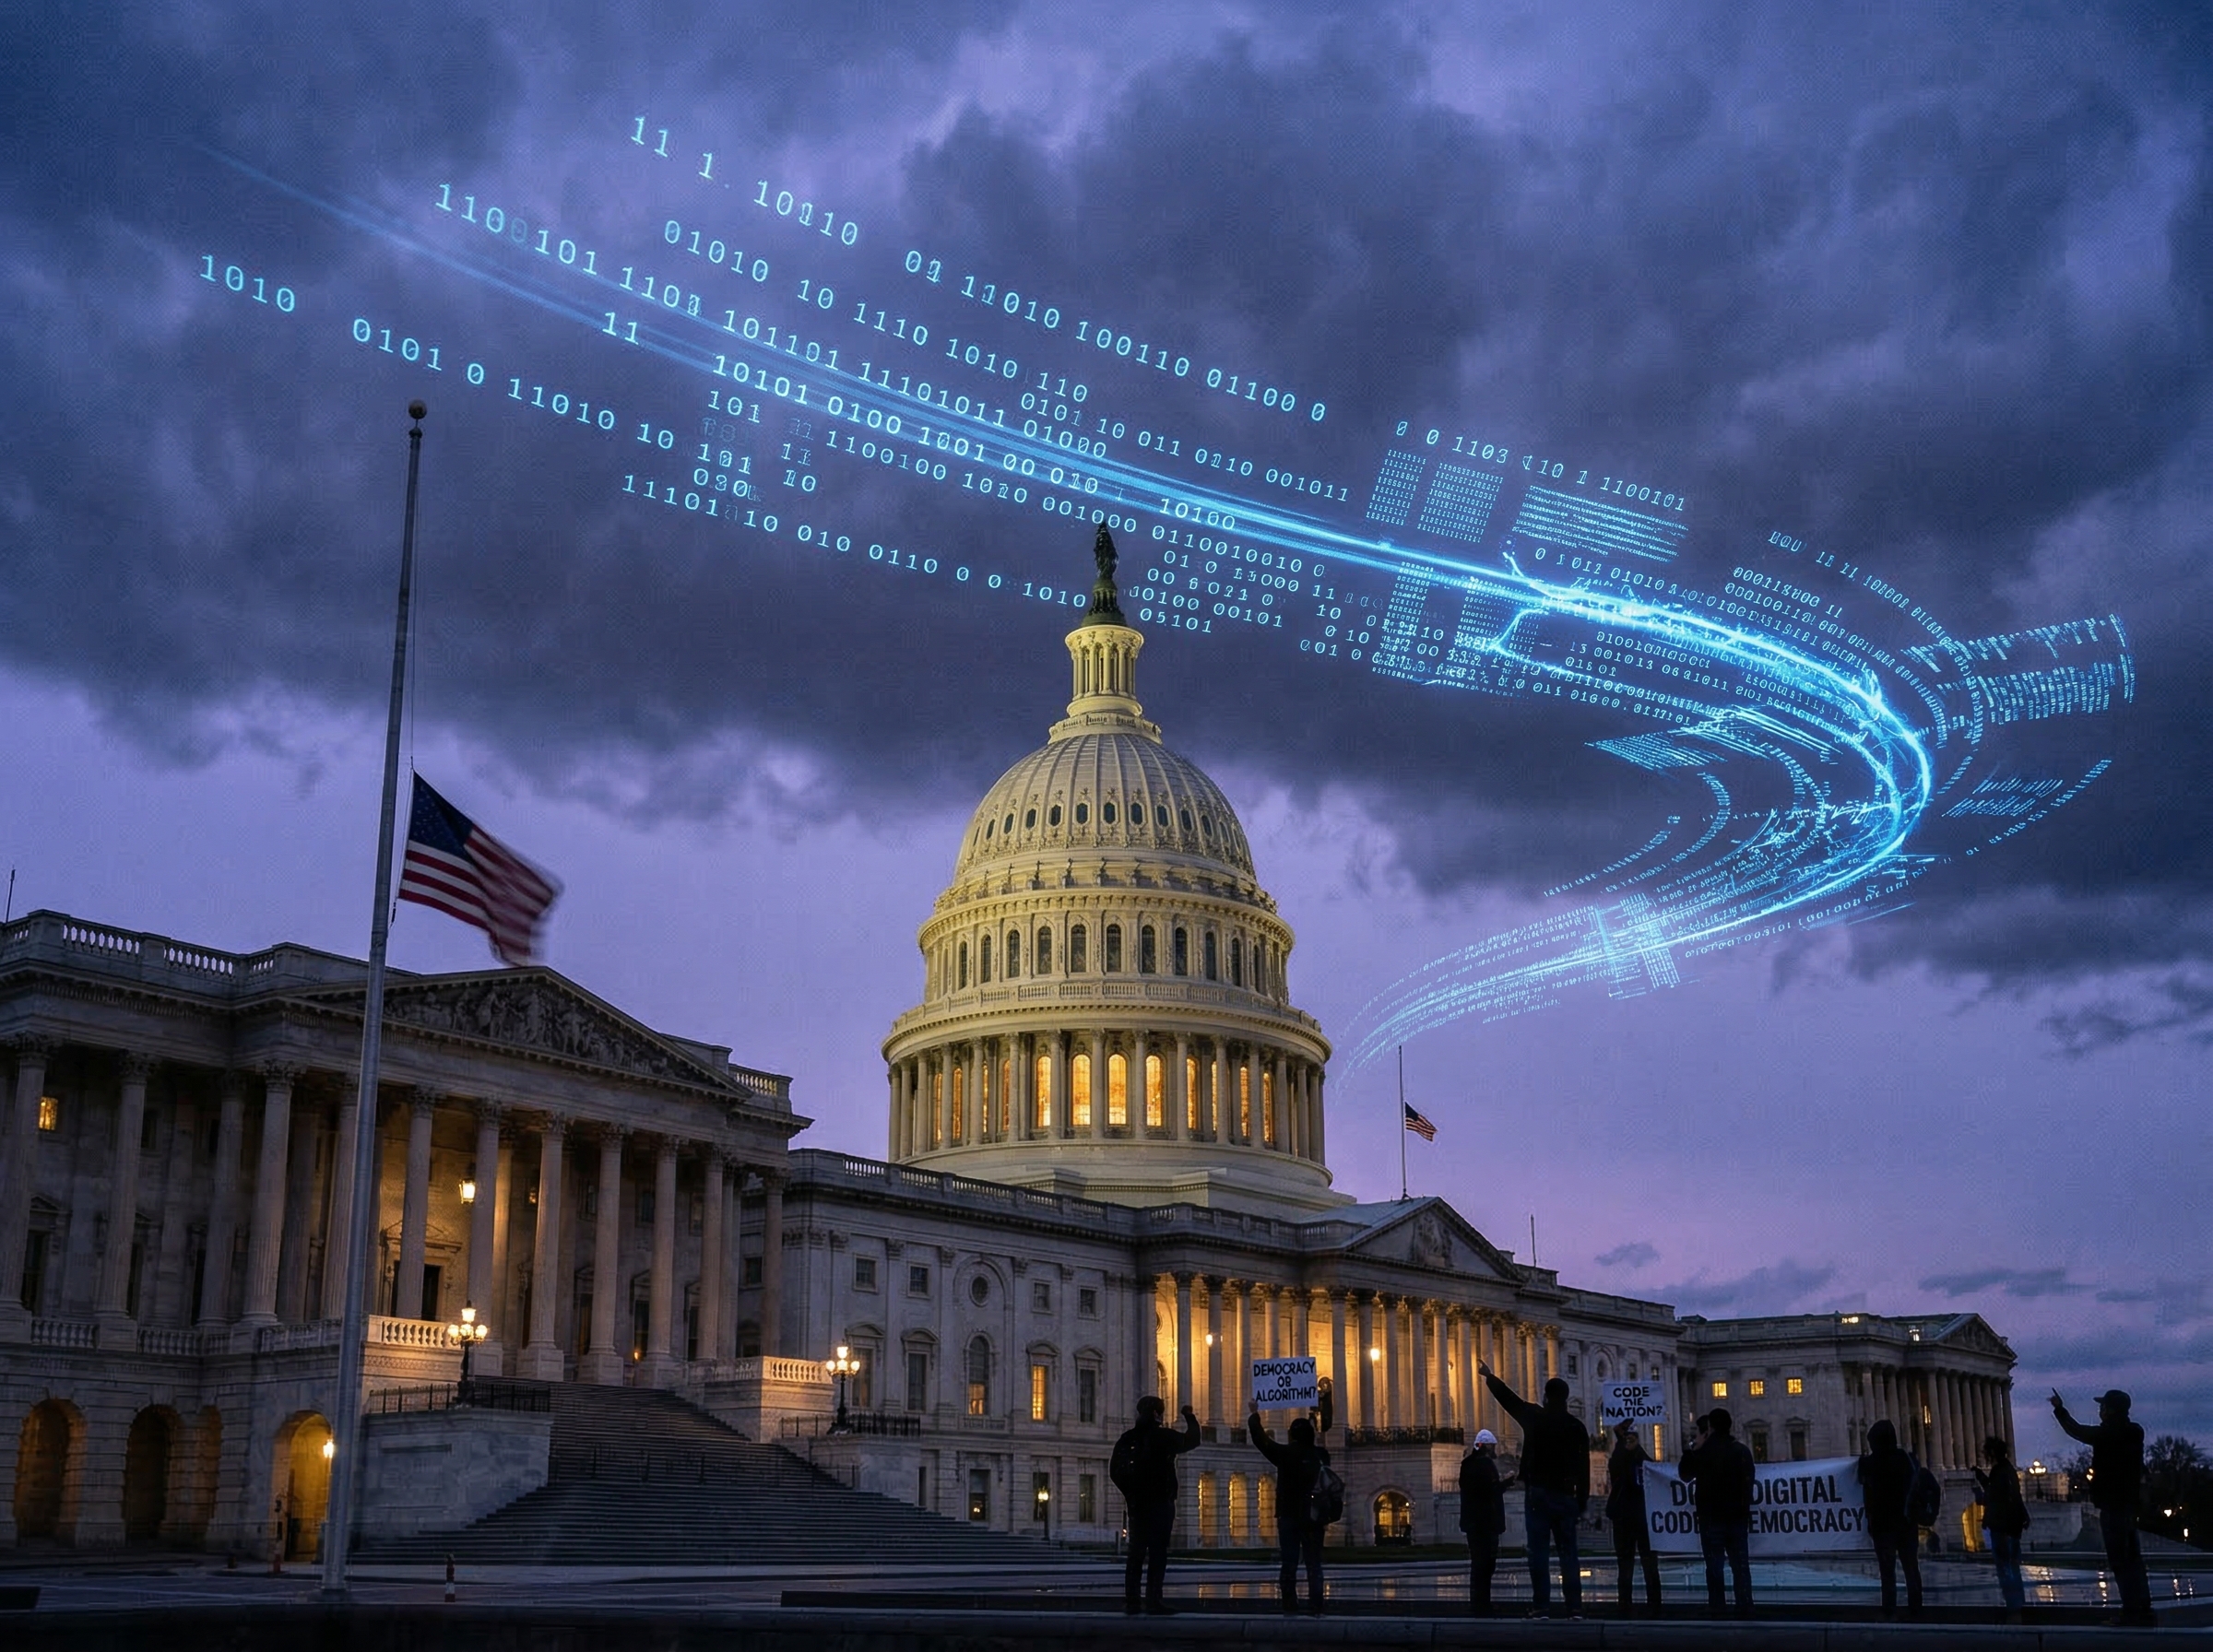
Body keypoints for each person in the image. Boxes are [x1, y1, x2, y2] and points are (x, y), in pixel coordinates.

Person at [1479, 1358, 1590, 1618]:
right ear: (1566, 1398)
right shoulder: (1577, 1427)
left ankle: (1541, 1605)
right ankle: (1574, 1606)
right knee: (1568, 1554)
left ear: (1546, 1396)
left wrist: (1490, 1376)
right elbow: (1583, 1468)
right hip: (1565, 1494)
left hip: (1538, 1493)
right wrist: (1582, 1502)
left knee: (1538, 1552)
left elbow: (1510, 1400)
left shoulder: (1535, 1418)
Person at [2052, 1386, 2152, 1626]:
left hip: (2113, 1504)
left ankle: (2131, 1612)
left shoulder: (2110, 1434)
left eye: (2102, 1407)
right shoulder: (2135, 1432)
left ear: (2110, 1410)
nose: (2099, 1411)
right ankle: (2143, 1607)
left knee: (2120, 1560)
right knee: (2133, 1559)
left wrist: (2059, 1410)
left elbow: (2077, 1431)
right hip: (2128, 1504)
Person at [1249, 1380, 1334, 1613]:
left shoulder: (1286, 1454)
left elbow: (1262, 1441)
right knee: (1314, 1563)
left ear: (1292, 1435)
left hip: (1289, 1514)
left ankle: (1289, 1604)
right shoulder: (1321, 1456)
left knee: (1289, 1562)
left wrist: (1254, 1415)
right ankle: (1317, 1604)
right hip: (1314, 1515)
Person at [1111, 1396, 1200, 1613]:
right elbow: (1193, 1440)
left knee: (1136, 1553)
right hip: (1160, 1502)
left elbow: (1115, 1471)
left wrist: (1130, 1493)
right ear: (1156, 1414)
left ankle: (1132, 1601)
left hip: (1138, 1505)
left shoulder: (1127, 1438)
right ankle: (1153, 1600)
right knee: (1158, 1553)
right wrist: (1189, 1416)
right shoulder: (1163, 1436)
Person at [1678, 1409, 1756, 1615]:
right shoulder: (1742, 1451)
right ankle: (1745, 1607)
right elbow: (1749, 1486)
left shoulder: (1703, 1453)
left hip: (1711, 1520)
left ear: (1709, 1429)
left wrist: (1692, 1447)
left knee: (1714, 1567)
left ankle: (1717, 1608)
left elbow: (1684, 1474)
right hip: (1737, 1519)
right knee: (1740, 1567)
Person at [1855, 1419, 1923, 1617]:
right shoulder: (1904, 1458)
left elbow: (1861, 1481)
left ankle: (1889, 1611)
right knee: (1911, 1568)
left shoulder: (1870, 1462)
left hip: (1883, 1525)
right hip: (1906, 1523)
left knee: (1887, 1572)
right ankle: (1916, 1610)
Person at [1606, 1420, 1663, 1614]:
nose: (1629, 1440)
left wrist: (1629, 1446)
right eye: (1626, 1437)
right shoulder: (1619, 1459)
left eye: (1632, 1437)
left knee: (1649, 1563)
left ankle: (1654, 1604)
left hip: (1642, 1518)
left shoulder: (1642, 1459)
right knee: (1625, 1564)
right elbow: (1616, 1467)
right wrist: (1621, 1442)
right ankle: (1624, 1603)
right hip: (1624, 1518)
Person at [1459, 1429, 1513, 1615]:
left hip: (1473, 1522)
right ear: (1484, 1446)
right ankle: (1482, 1604)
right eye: (1491, 1446)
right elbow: (1491, 1491)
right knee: (1486, 1564)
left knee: (1478, 1564)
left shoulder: (1467, 1464)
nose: (1493, 1449)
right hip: (1487, 1522)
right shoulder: (1486, 1464)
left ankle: (1478, 1603)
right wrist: (1507, 1482)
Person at [1974, 1434, 2030, 1618]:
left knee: (2005, 1569)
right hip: (2013, 1526)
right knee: (2013, 1567)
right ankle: (2020, 1605)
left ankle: (2014, 1609)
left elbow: (1993, 1496)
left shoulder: (1999, 1471)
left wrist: (1980, 1489)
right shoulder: (2009, 1470)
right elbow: (2014, 1495)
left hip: (2002, 1526)